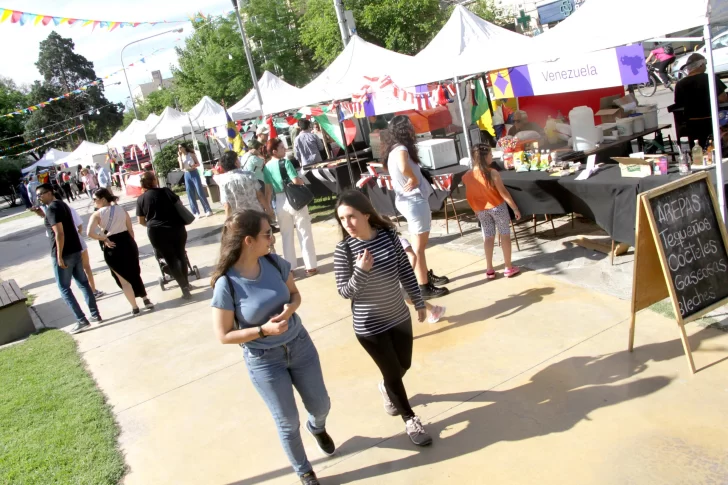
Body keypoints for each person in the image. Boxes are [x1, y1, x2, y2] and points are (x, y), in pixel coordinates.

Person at [211, 210, 334, 485]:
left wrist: (291, 308)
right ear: (248, 241)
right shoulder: (226, 284)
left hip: (300, 346)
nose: (272, 237)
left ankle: (317, 427)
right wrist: (261, 331)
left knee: (322, 404)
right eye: (267, 233)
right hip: (264, 360)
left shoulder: (275, 263)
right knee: (287, 421)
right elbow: (223, 335)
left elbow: (295, 294)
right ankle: (304, 471)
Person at [333, 190, 433, 447]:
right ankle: (410, 419)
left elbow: (404, 271)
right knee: (392, 372)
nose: (348, 224)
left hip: (398, 316)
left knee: (403, 365)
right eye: (342, 219)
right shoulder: (343, 250)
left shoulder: (388, 237)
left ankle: (386, 387)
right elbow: (345, 292)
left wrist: (418, 300)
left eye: (352, 217)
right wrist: (360, 272)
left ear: (366, 214)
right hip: (369, 326)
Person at [383, 115, 449, 299]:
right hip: (414, 201)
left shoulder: (393, 149)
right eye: (410, 126)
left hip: (407, 200)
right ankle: (423, 286)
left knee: (419, 246)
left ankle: (424, 275)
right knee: (419, 248)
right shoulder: (402, 149)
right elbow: (404, 167)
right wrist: (412, 178)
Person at [33, 183, 101, 334]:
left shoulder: (52, 208)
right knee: (83, 283)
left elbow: (59, 233)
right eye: (37, 195)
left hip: (65, 254)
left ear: (50, 192)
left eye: (41, 194)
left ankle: (81, 320)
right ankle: (95, 314)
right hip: (76, 249)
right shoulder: (62, 205)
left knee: (64, 288)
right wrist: (42, 215)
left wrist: (59, 255)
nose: (39, 197)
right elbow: (57, 224)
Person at [87, 188, 154, 316]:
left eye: (95, 199)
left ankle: (135, 307)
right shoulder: (121, 209)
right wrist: (131, 243)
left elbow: (89, 233)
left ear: (103, 199)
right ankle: (145, 299)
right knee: (135, 273)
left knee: (124, 280)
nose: (94, 202)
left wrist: (103, 238)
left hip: (112, 246)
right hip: (127, 242)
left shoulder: (97, 214)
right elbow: (130, 229)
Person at [463, 144, 522, 279]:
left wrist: (475, 209)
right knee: (505, 235)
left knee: (488, 237)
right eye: (490, 154)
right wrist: (514, 207)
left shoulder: (467, 176)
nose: (492, 157)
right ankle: (508, 267)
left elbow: (469, 195)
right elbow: (503, 193)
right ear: (485, 157)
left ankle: (489, 268)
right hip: (497, 207)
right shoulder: (492, 173)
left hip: (481, 210)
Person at [263, 138, 318, 275]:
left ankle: (290, 268)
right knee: (304, 232)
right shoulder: (285, 162)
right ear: (274, 151)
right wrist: (302, 182)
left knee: (286, 235)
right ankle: (310, 266)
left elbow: (268, 190)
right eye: (282, 148)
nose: (284, 149)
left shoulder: (267, 167)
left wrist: (268, 207)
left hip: (280, 200)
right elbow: (295, 180)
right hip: (294, 198)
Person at [136, 172, 192, 300]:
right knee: (181, 255)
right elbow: (180, 205)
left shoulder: (141, 199)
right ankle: (186, 284)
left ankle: (183, 287)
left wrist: (152, 225)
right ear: (154, 181)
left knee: (170, 259)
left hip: (157, 232)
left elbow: (141, 221)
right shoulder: (166, 191)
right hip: (176, 228)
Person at [674, 53, 728, 149]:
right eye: (705, 64)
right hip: (711, 121)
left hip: (691, 124)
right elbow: (723, 98)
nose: (706, 67)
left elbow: (678, 104)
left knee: (697, 150)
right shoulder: (710, 78)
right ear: (700, 65)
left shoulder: (680, 84)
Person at [399, 236, 446, 323]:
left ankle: (435, 310)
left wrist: (408, 274)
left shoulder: (399, 240)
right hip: (398, 278)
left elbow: (412, 256)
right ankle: (435, 310)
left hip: (401, 278)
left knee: (408, 299)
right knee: (410, 299)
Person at [217, 150, 270, 219]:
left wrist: (227, 222)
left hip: (239, 218)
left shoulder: (223, 182)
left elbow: (227, 205)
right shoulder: (249, 175)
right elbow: (259, 195)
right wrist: (268, 209)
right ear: (236, 163)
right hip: (256, 214)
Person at [178, 144, 213, 218]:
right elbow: (181, 167)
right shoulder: (180, 157)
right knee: (190, 192)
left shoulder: (191, 154)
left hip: (194, 172)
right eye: (179, 148)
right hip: (186, 173)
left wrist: (194, 165)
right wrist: (180, 158)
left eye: (181, 147)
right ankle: (195, 212)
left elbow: (198, 163)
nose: (180, 149)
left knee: (199, 191)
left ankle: (207, 210)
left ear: (184, 147)